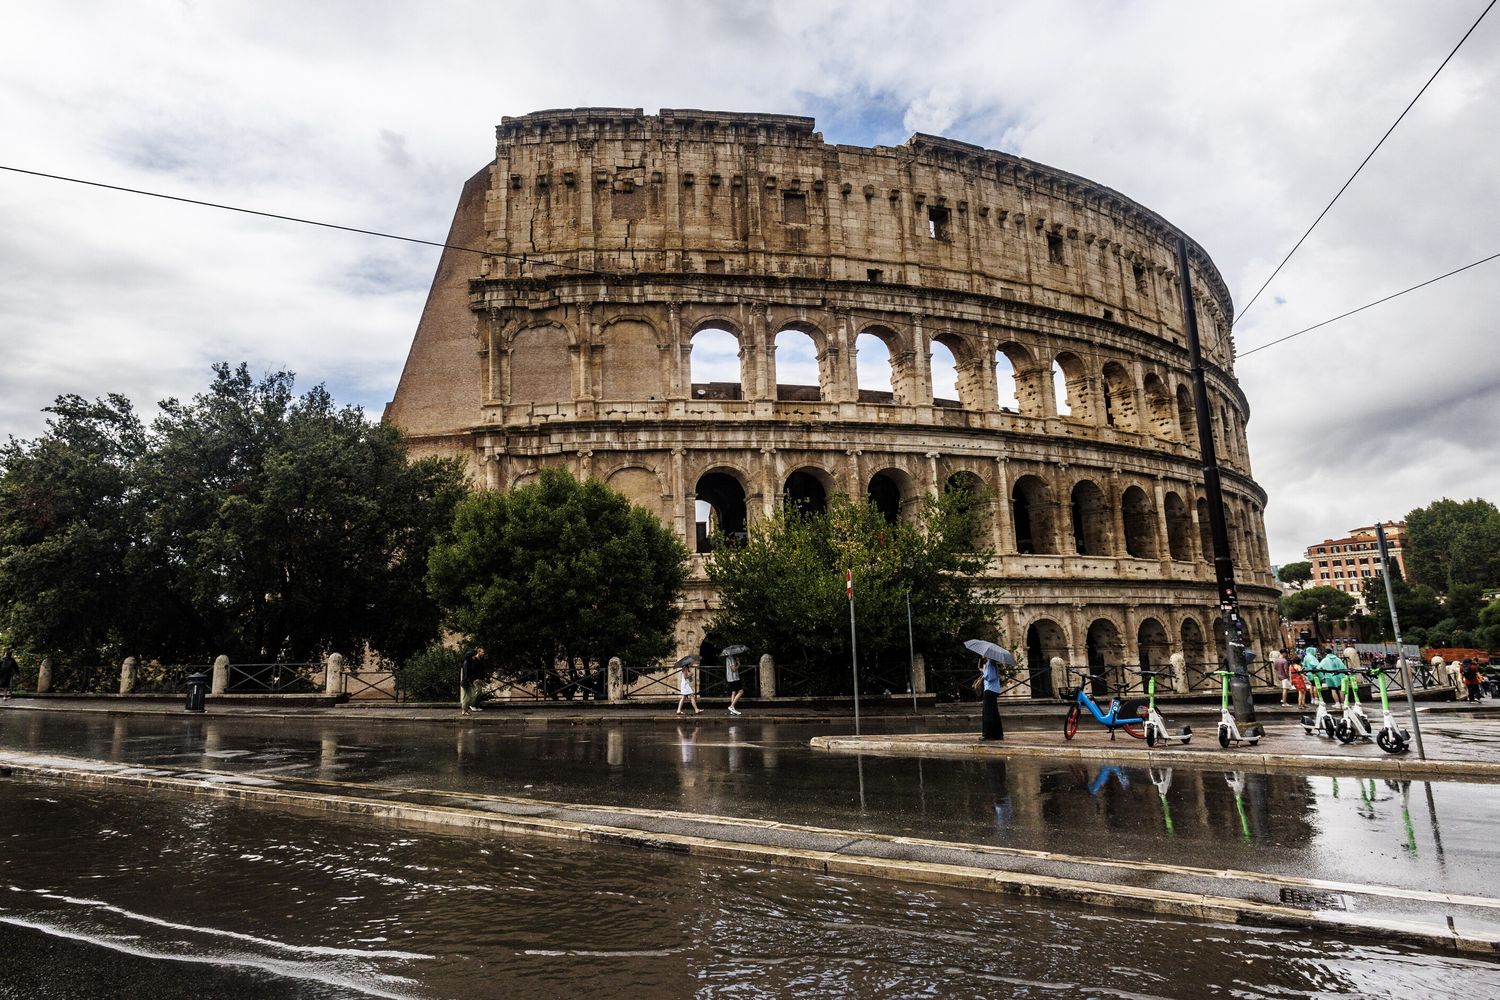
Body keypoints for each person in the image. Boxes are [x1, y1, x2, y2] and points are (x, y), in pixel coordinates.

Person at [978, 655, 1004, 740]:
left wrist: (983, 671)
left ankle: (987, 735)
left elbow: (990, 677)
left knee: (987, 712)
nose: (982, 655)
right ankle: (998, 734)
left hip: (990, 690)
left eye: (984, 654)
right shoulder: (992, 663)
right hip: (994, 690)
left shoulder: (990, 663)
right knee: (994, 713)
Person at [459, 646, 487, 714]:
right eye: (472, 656)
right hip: (467, 682)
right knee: (467, 697)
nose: (473, 657)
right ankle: (464, 710)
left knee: (469, 696)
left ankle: (466, 710)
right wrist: (473, 679)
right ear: (470, 657)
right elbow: (467, 674)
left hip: (468, 681)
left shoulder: (468, 662)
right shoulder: (467, 663)